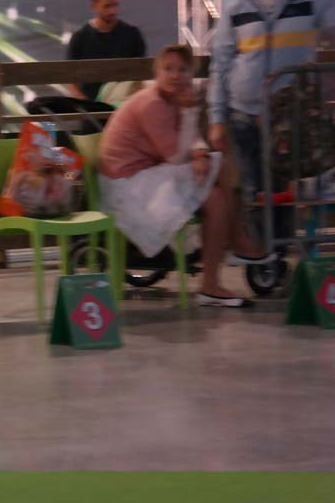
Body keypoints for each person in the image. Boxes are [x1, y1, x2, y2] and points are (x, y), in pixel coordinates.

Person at [98, 44, 271, 308]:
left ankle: (211, 285)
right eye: (168, 69)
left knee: (216, 197)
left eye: (182, 69)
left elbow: (191, 142)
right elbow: (176, 156)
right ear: (157, 71)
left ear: (191, 73)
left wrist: (199, 151)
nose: (175, 75)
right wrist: (192, 120)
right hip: (127, 185)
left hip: (150, 174)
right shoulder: (153, 103)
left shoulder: (173, 99)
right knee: (220, 167)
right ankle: (237, 242)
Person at [207, 0, 335, 248]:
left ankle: (278, 253)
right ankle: (263, 259)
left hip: (290, 117)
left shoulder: (311, 0)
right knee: (254, 190)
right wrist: (216, 118)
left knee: (284, 189)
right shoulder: (236, 8)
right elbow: (220, 65)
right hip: (243, 115)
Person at [66, 0, 147, 101]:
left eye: (116, 5)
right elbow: (69, 78)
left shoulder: (132, 34)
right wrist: (86, 104)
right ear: (94, 5)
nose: (112, 11)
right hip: (91, 108)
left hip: (123, 106)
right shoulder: (80, 38)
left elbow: (141, 74)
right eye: (107, 6)